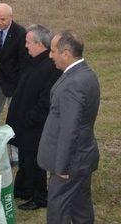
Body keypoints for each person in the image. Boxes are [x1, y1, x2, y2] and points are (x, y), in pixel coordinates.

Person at [37, 31, 100, 224]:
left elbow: (69, 128)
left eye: (53, 51)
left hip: (69, 163)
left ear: (66, 53)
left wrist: (62, 166)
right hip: (82, 157)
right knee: (80, 207)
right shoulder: (85, 73)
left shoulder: (73, 83)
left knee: (58, 210)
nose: (50, 55)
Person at [6, 24, 62, 210]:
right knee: (24, 158)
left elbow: (46, 100)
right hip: (23, 123)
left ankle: (40, 197)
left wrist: (30, 119)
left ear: (40, 44)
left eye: (29, 42)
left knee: (35, 161)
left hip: (35, 126)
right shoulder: (33, 60)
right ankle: (23, 189)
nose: (26, 46)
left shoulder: (51, 67)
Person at [0, 3, 27, 126]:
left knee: (15, 113)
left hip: (15, 79)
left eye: (3, 19)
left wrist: (21, 81)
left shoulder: (20, 33)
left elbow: (23, 60)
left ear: (11, 17)